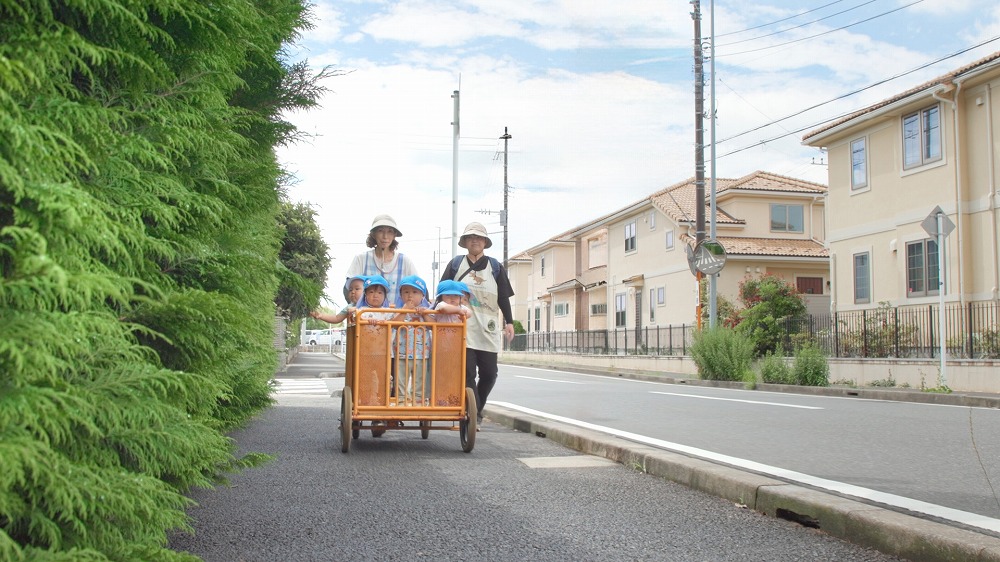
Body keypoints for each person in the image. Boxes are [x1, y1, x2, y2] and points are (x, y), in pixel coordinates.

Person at [439, 222, 515, 426]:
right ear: (465, 242)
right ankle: (473, 415)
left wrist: (509, 322)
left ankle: (475, 409)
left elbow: (503, 297)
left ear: (485, 242)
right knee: (468, 374)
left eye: (479, 237)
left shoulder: (495, 267)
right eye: (471, 237)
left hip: (488, 329)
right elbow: (441, 291)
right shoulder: (456, 265)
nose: (475, 240)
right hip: (462, 329)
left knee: (490, 374)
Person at [344, 214, 419, 304]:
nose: (385, 236)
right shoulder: (361, 259)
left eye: (390, 231)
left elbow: (418, 288)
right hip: (366, 312)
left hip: (398, 312)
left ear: (394, 235)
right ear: (373, 234)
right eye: (380, 231)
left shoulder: (405, 261)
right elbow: (348, 289)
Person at [389, 275, 432, 405]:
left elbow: (432, 325)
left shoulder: (427, 310)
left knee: (420, 380)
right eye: (406, 292)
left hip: (421, 353)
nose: (410, 295)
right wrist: (404, 310)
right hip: (401, 353)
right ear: (401, 295)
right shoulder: (398, 310)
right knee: (400, 379)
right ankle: (401, 400)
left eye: (415, 292)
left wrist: (424, 314)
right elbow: (394, 324)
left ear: (422, 295)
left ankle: (418, 401)